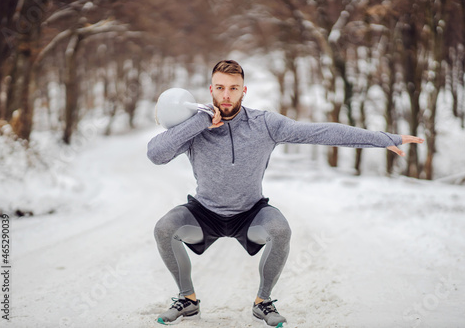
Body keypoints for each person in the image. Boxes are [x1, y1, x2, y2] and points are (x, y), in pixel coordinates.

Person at [147, 60, 424, 326]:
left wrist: (385, 139)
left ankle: (263, 302)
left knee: (280, 230)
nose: (226, 94)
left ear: (244, 90)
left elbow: (322, 133)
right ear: (210, 90)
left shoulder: (264, 124)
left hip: (250, 212)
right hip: (204, 212)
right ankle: (187, 299)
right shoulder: (196, 125)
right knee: (163, 229)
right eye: (220, 87)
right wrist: (199, 123)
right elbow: (155, 155)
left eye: (233, 88)